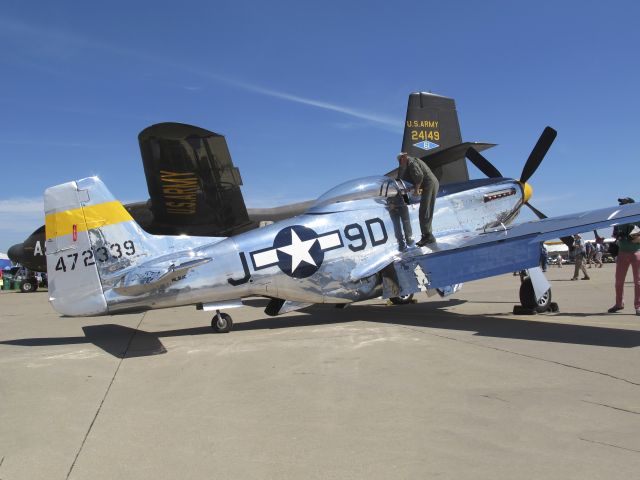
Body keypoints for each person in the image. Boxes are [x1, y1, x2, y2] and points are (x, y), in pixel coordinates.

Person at [397, 152, 439, 247]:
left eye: (400, 161)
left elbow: (419, 176)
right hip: (429, 184)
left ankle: (427, 236)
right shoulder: (412, 161)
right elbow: (417, 178)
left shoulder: (411, 162)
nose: (400, 163)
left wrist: (416, 190)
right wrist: (410, 188)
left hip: (429, 184)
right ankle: (429, 236)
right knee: (426, 210)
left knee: (424, 210)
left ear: (404, 157)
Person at [608, 197, 640, 315]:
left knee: (638, 281)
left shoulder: (637, 218)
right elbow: (615, 234)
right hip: (622, 252)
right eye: (621, 204)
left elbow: (639, 238)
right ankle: (619, 303)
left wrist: (635, 237)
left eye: (624, 204)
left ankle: (638, 306)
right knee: (619, 281)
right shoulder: (619, 219)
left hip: (636, 251)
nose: (621, 206)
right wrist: (618, 235)